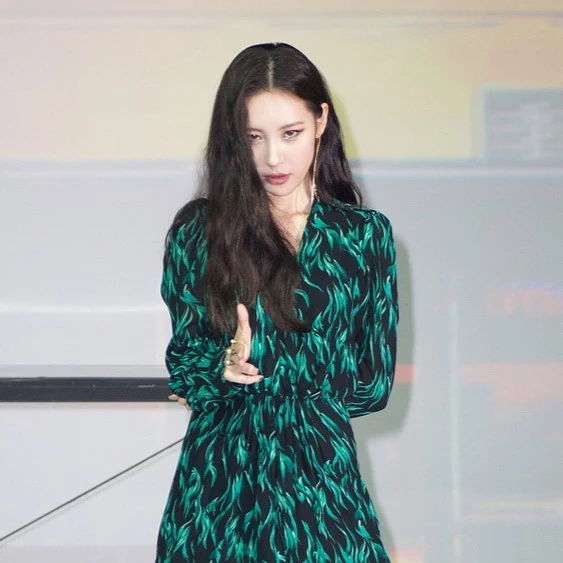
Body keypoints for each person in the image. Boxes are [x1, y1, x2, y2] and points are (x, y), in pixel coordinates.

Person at [156, 42, 398, 562]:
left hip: (322, 488)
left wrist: (284, 391)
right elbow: (185, 362)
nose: (272, 157)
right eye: (253, 137)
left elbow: (373, 385)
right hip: (220, 489)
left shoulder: (363, 236)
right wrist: (224, 366)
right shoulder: (199, 232)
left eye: (290, 133)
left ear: (321, 121)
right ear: (232, 137)